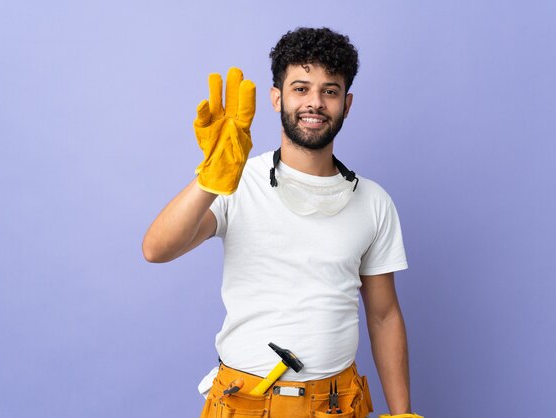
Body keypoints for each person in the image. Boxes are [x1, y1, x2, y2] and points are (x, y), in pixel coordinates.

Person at [143, 27, 422, 418]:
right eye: (301, 88)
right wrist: (212, 178)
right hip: (244, 401)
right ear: (277, 98)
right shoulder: (236, 183)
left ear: (347, 103)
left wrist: (401, 412)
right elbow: (157, 249)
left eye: (330, 90)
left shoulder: (373, 201)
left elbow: (383, 314)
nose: (315, 103)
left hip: (336, 405)